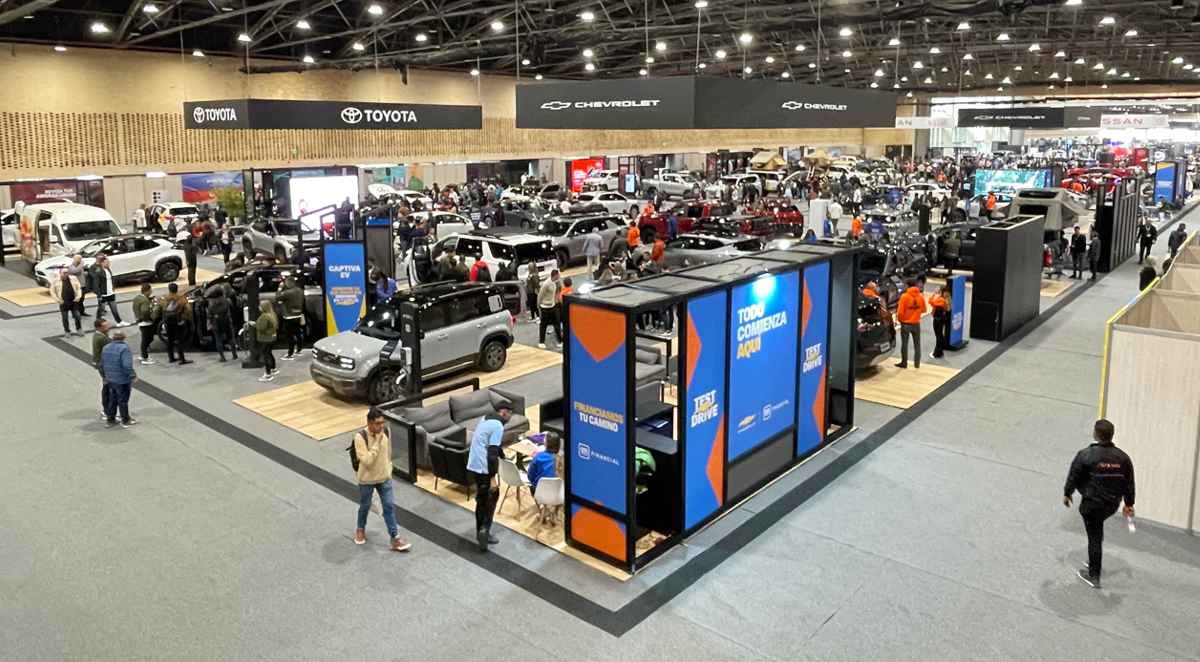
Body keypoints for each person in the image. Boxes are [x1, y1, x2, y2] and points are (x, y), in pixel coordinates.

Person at [1063, 419, 1135, 589]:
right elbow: (1129, 483)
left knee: (1094, 538)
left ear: (1096, 434)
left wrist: (1068, 493)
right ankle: (1094, 559)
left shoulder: (1086, 454)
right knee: (1097, 532)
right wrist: (1129, 504)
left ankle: (1094, 575)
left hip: (1092, 505)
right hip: (1111, 505)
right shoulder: (1123, 458)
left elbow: (1074, 475)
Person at [352, 408, 412, 552]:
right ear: (369, 423)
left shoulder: (385, 432)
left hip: (384, 478)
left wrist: (388, 469)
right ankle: (360, 529)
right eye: (377, 423)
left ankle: (395, 538)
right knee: (365, 506)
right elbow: (367, 461)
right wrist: (377, 443)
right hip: (367, 479)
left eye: (382, 423)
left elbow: (388, 453)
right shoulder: (360, 437)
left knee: (389, 506)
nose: (381, 426)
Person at [466, 401, 513, 552]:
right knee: (492, 496)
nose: (510, 417)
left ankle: (480, 530)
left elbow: (493, 446)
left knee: (481, 498)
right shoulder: (498, 426)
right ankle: (485, 530)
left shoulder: (485, 419)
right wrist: (492, 477)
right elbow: (492, 453)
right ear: (504, 412)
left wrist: (504, 457)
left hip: (473, 464)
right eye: (510, 414)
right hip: (483, 466)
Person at [100, 329, 136, 429]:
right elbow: (127, 365)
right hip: (122, 380)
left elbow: (101, 364)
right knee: (123, 400)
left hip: (110, 379)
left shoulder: (106, 347)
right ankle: (126, 419)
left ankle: (110, 419)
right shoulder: (124, 349)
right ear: (124, 338)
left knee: (112, 399)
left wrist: (104, 376)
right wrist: (133, 375)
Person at [894, 279, 927, 369]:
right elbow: (924, 310)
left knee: (904, 344)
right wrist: (916, 313)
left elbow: (900, 312)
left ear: (908, 286)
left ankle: (904, 363)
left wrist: (900, 320)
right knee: (917, 344)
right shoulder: (920, 296)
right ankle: (917, 364)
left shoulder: (904, 296)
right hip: (916, 323)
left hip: (906, 324)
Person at [161, 282, 192, 365]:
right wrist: (185, 318)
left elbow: (161, 309)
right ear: (177, 289)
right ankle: (182, 359)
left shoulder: (165, 298)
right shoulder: (181, 298)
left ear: (169, 289)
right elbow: (188, 309)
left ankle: (171, 358)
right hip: (178, 321)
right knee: (180, 340)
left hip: (168, 322)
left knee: (170, 340)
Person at [206, 284, 238, 362]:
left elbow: (209, 316)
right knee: (231, 338)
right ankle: (234, 354)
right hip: (227, 321)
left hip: (216, 323)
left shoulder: (211, 305)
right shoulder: (227, 301)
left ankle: (222, 357)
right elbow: (232, 308)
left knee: (218, 340)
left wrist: (210, 322)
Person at [276, 276, 306, 360]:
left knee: (290, 335)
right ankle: (299, 349)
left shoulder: (287, 292)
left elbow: (277, 298)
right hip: (298, 314)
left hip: (289, 316)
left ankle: (290, 353)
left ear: (289, 283)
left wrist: (279, 288)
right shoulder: (300, 291)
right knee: (298, 333)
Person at [51, 268, 83, 337]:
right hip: (63, 302)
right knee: (65, 317)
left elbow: (78, 288)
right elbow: (52, 291)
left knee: (77, 315)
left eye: (67, 272)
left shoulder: (73, 278)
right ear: (60, 273)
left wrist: (78, 297)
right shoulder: (55, 281)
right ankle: (67, 330)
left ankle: (79, 328)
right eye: (64, 273)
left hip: (73, 301)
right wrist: (58, 300)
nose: (65, 274)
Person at [131, 283, 158, 365]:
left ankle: (143, 354)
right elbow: (145, 311)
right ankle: (144, 357)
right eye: (150, 290)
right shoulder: (145, 300)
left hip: (140, 321)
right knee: (147, 339)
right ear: (148, 290)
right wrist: (150, 318)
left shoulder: (137, 298)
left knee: (145, 339)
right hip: (146, 322)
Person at [91, 256, 122, 323]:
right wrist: (99, 295)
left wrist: (113, 288)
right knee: (101, 309)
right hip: (103, 294)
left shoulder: (108, 269)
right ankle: (97, 321)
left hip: (110, 292)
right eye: (106, 262)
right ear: (102, 263)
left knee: (114, 308)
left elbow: (111, 279)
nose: (108, 263)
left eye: (108, 262)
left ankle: (119, 321)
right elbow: (96, 285)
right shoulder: (98, 271)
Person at [92, 317, 112, 420]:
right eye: (106, 326)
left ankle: (107, 409)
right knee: (107, 387)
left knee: (107, 386)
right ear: (99, 328)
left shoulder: (98, 335)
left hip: (101, 363)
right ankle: (106, 410)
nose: (108, 327)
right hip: (104, 365)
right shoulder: (102, 338)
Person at [538, 268, 562, 348]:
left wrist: (556, 301)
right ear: (554, 275)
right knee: (543, 325)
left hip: (552, 306)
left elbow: (556, 293)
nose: (559, 277)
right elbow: (540, 295)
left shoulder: (555, 283)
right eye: (558, 275)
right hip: (545, 307)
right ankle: (541, 341)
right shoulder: (546, 284)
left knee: (557, 323)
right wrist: (539, 306)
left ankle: (559, 341)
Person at [255, 300, 278, 382]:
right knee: (269, 353)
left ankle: (268, 375)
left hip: (266, 339)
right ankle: (274, 368)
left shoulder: (264, 316)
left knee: (265, 355)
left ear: (263, 307)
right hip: (272, 338)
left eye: (260, 306)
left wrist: (256, 325)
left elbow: (261, 328)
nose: (259, 307)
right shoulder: (272, 314)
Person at [928, 285, 950, 359]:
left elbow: (931, 302)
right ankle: (940, 351)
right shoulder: (945, 299)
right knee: (939, 335)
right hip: (941, 319)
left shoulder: (941, 300)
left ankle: (937, 353)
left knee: (939, 336)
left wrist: (934, 294)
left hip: (938, 319)